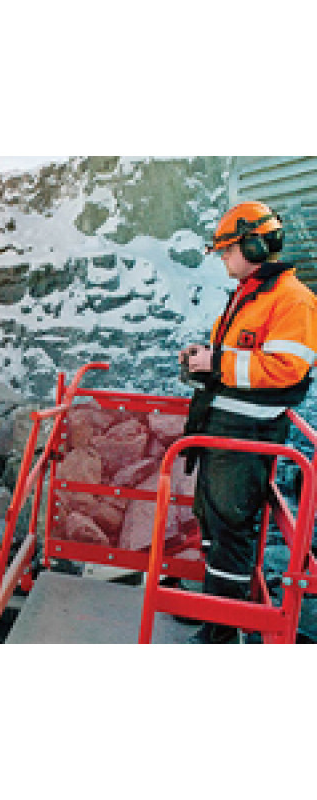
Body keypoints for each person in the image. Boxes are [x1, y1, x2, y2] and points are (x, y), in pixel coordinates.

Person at [179, 201, 317, 644]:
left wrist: (216, 362)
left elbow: (286, 369)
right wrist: (205, 360)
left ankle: (220, 634)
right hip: (223, 433)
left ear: (255, 245)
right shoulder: (250, 293)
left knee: (231, 532)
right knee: (213, 524)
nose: (223, 258)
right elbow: (239, 357)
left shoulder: (293, 301)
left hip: (246, 437)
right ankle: (211, 608)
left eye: (227, 249)